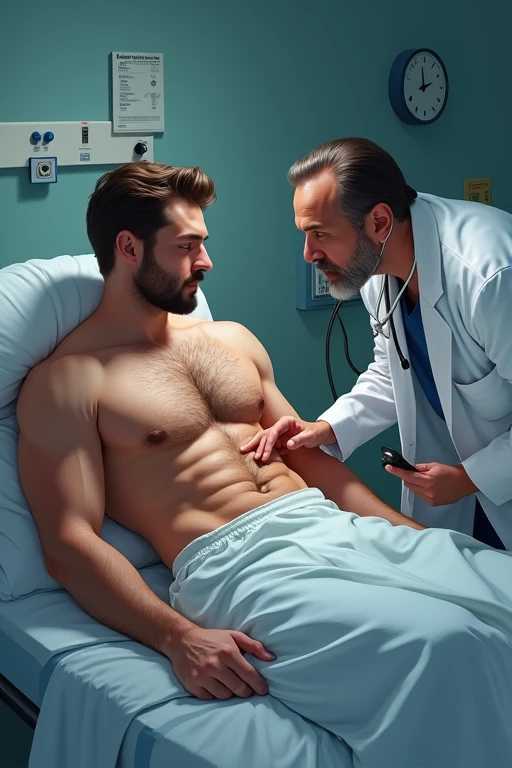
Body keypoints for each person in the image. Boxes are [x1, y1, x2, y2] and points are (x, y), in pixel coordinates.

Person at [16, 162, 512, 767]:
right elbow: (68, 541)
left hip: (333, 527)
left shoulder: (232, 340)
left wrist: (406, 536)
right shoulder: (68, 382)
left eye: (204, 242)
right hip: (238, 564)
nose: (206, 262)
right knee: (448, 647)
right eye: (187, 246)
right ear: (127, 248)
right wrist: (177, 637)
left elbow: (311, 460)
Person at [243, 137, 512, 551]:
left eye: (320, 234)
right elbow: (393, 371)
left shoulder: (488, 275)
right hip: (466, 500)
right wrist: (325, 429)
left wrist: (469, 478)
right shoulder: (380, 275)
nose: (308, 253)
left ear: (380, 222)